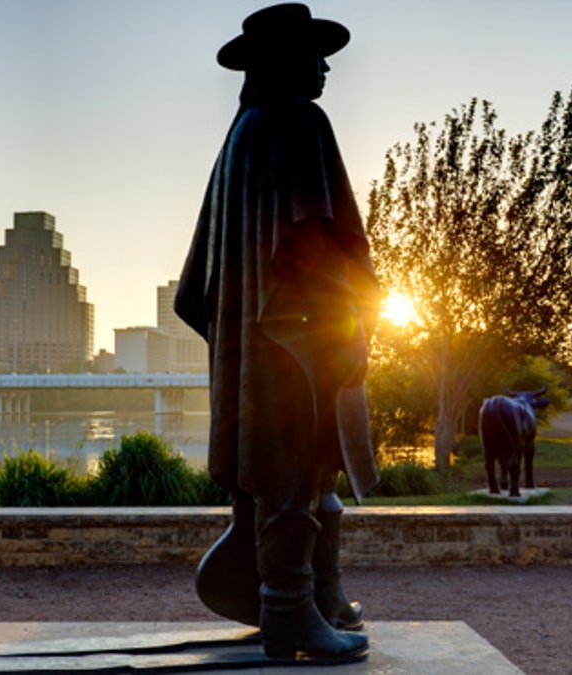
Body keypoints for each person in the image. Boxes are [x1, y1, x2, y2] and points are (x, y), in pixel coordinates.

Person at [174, 3, 381, 662]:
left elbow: (201, 282)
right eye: (313, 55)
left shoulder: (240, 137)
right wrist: (350, 326)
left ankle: (320, 596)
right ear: (287, 61)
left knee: (309, 481)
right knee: (296, 478)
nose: (324, 68)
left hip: (258, 346)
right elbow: (323, 239)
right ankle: (290, 612)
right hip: (296, 342)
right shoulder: (299, 121)